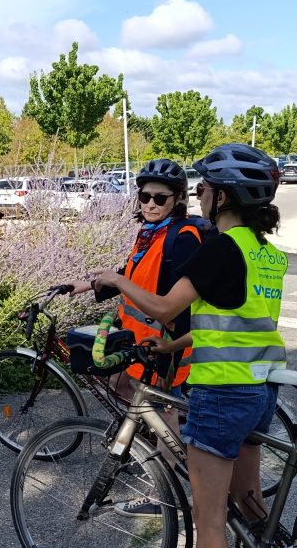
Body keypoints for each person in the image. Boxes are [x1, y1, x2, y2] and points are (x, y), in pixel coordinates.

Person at [94, 144, 285, 548]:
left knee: (211, 521)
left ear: (222, 195)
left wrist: (117, 280)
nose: (198, 195)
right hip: (261, 386)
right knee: (247, 499)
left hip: (221, 392)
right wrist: (173, 343)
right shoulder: (266, 253)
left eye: (202, 188)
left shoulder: (220, 247)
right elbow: (238, 323)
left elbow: (161, 304)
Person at [68, 158, 203, 516]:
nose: (150, 205)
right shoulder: (151, 234)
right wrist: (90, 284)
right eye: (145, 196)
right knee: (118, 383)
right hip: (139, 340)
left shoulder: (182, 238)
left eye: (161, 199)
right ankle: (141, 442)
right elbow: (133, 272)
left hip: (166, 343)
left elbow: (176, 301)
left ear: (178, 199)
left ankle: (167, 493)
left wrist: (174, 343)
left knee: (165, 410)